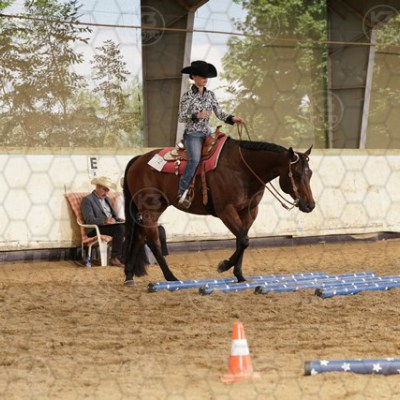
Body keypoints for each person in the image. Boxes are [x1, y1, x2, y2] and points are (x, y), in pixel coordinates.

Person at [177, 60, 244, 207]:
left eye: (206, 76)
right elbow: (181, 117)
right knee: (194, 160)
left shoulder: (211, 95)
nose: (205, 78)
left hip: (208, 133)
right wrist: (196, 115)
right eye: (202, 76)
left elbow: (219, 113)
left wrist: (232, 118)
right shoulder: (187, 96)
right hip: (193, 134)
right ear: (193, 77)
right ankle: (182, 192)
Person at [115, 176, 169, 262]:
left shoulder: (139, 198)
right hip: (131, 223)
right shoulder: (120, 199)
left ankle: (162, 256)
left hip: (141, 222)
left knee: (160, 230)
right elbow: (121, 216)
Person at [81, 176, 125, 267]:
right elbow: (89, 219)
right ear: (97, 187)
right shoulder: (87, 200)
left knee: (128, 227)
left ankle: (124, 258)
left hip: (108, 227)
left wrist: (118, 220)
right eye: (104, 190)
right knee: (120, 228)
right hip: (95, 228)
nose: (106, 193)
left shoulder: (107, 199)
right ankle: (115, 258)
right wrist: (105, 220)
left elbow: (113, 216)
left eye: (107, 190)